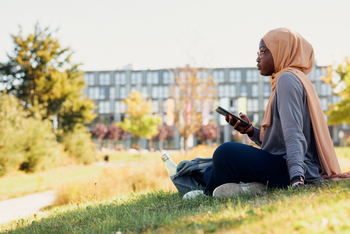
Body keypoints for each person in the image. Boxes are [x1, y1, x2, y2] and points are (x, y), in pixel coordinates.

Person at [200, 28, 350, 198]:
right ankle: (248, 186)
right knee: (211, 168)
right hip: (283, 164)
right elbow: (279, 141)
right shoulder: (290, 79)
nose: (258, 58)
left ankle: (208, 193)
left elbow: (293, 134)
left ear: (282, 52)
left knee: (225, 153)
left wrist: (296, 179)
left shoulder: (287, 79)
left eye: (263, 52)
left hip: (290, 169)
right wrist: (250, 131)